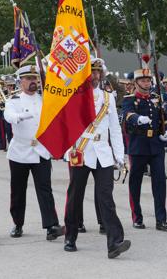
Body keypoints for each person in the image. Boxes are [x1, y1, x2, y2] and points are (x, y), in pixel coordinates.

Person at [63, 57, 131, 258]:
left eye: (97, 72)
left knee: (106, 198)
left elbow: (115, 129)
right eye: (91, 72)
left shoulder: (108, 98)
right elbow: (67, 125)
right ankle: (70, 236)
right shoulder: (75, 96)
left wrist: (120, 156)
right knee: (75, 196)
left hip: (103, 152)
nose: (94, 76)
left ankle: (115, 242)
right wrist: (69, 150)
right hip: (81, 151)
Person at [4, 65, 63, 240]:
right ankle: (18, 223)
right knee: (18, 190)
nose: (32, 82)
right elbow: (9, 116)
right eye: (28, 79)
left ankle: (51, 225)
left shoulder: (44, 99)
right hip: (20, 151)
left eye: (34, 79)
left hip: (41, 150)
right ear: (20, 81)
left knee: (45, 188)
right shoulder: (14, 100)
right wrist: (19, 116)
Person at [122, 55, 167, 231]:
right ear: (136, 83)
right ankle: (137, 217)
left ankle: (161, 219)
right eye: (142, 80)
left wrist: (166, 131)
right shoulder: (130, 99)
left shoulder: (156, 98)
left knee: (160, 183)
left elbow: (164, 118)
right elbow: (127, 115)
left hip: (156, 146)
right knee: (135, 182)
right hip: (138, 145)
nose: (146, 83)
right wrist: (137, 118)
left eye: (148, 80)